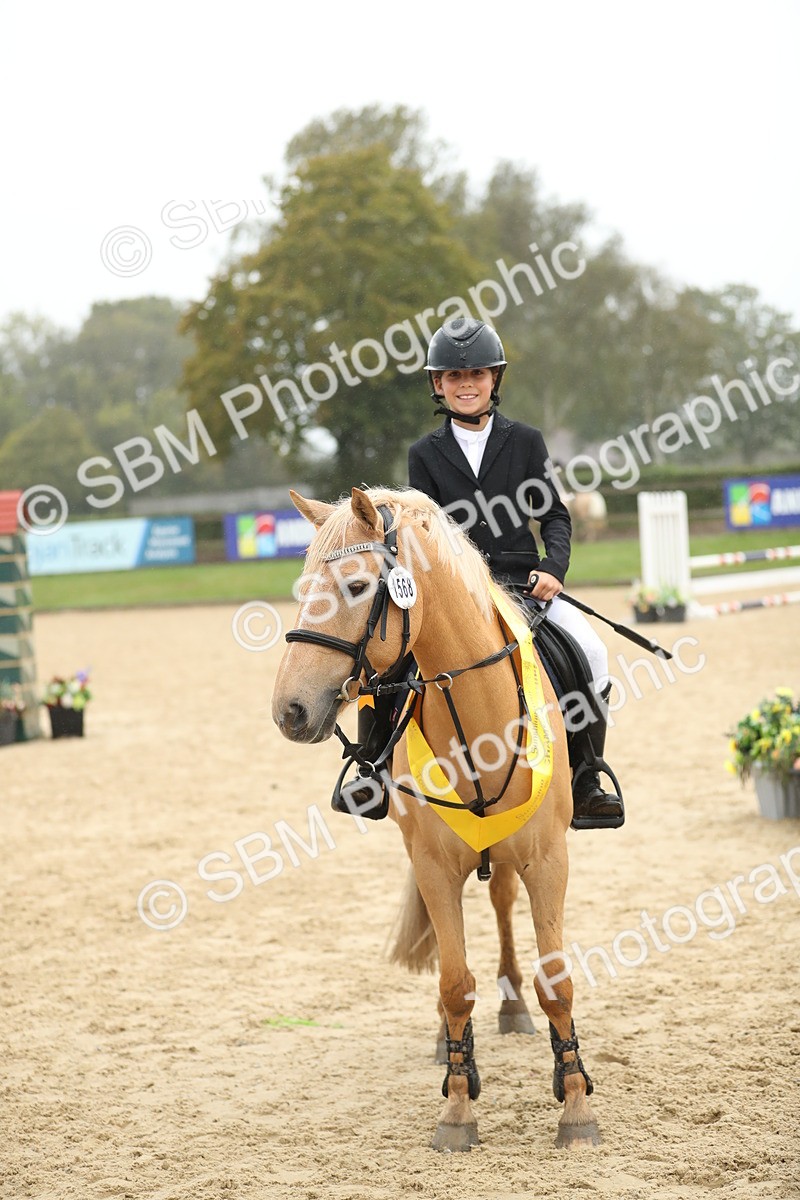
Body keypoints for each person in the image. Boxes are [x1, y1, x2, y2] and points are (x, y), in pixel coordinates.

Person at [338, 316, 623, 830]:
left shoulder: (526, 441)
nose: (465, 384)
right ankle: (371, 771)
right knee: (384, 659)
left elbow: (554, 517)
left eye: (476, 374)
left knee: (594, 652)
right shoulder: (424, 454)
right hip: (454, 594)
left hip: (523, 586)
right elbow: (424, 531)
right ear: (438, 384)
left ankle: (586, 778)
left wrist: (553, 568)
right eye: (453, 376)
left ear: (495, 379)